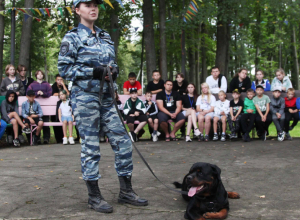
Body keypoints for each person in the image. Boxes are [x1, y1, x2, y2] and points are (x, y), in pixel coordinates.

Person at [58, 0, 148, 213]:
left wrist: (113, 72)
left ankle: (126, 192)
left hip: (108, 98)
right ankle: (94, 197)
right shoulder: (71, 37)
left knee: (124, 142)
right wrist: (92, 72)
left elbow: (112, 63)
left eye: (96, 4)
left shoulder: (105, 36)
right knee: (91, 147)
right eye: (87, 4)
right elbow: (64, 69)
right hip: (84, 98)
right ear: (77, 9)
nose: (93, 8)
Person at [27, 70, 52, 144]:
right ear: (36, 75)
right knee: (36, 122)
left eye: (41, 74)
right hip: (35, 107)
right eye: (38, 74)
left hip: (46, 107)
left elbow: (50, 92)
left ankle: (46, 138)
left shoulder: (46, 84)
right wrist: (36, 94)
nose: (40, 75)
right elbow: (28, 93)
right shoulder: (32, 84)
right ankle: (37, 138)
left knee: (46, 123)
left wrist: (43, 93)